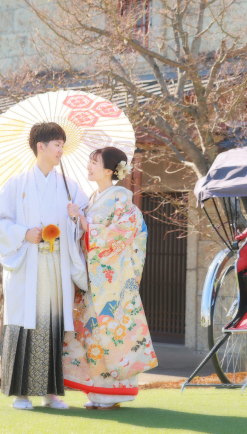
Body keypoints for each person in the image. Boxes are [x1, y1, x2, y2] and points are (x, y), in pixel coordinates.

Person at [0, 122, 89, 411]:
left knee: (52, 326)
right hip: (29, 263)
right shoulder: (17, 183)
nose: (61, 150)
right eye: (57, 144)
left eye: (62, 145)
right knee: (27, 326)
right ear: (40, 147)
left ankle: (51, 393)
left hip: (56, 266)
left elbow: (84, 221)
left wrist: (74, 216)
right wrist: (23, 233)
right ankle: (21, 394)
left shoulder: (69, 185)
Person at [63, 146, 158, 410]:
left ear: (108, 170)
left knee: (109, 335)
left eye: (94, 162)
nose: (89, 166)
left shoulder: (121, 199)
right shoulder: (94, 197)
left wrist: (84, 223)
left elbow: (121, 235)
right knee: (92, 337)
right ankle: (97, 393)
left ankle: (113, 394)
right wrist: (76, 219)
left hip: (111, 283)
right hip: (94, 282)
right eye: (89, 161)